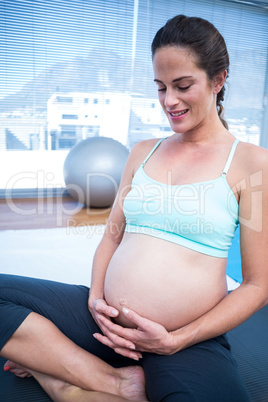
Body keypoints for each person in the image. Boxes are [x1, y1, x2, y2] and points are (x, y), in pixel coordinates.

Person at [1, 14, 268, 401]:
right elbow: (112, 237)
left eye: (182, 85)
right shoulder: (144, 152)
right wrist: (95, 297)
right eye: (160, 87)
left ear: (218, 80)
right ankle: (114, 383)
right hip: (102, 323)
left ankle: (58, 376)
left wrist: (175, 340)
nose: (169, 101)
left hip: (184, 341)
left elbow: (258, 286)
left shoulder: (252, 164)